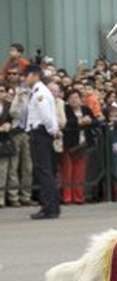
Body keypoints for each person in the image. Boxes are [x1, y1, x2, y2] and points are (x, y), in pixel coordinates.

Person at [25, 64, 60, 219]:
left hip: (40, 133)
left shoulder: (40, 92)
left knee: (44, 171)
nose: (25, 79)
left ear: (35, 75)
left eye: (27, 75)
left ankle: (49, 207)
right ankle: (51, 206)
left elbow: (46, 116)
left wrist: (52, 130)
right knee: (45, 171)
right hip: (40, 132)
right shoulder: (37, 91)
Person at [60, 89, 94, 204]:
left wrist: (89, 121)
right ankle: (67, 197)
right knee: (67, 172)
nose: (74, 100)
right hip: (69, 145)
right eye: (71, 98)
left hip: (83, 144)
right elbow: (65, 123)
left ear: (81, 99)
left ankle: (79, 197)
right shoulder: (65, 110)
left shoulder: (86, 109)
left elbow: (95, 121)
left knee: (80, 172)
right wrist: (79, 122)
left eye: (76, 97)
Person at [8, 76, 33, 204]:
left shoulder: (34, 96)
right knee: (14, 165)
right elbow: (13, 113)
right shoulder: (16, 96)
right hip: (16, 132)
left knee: (28, 166)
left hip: (29, 133)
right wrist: (18, 98)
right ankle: (13, 196)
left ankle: (26, 196)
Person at [0, 83, 16, 207]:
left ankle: (6, 198)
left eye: (2, 91)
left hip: (6, 141)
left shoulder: (9, 106)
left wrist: (9, 125)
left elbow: (13, 120)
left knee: (7, 171)